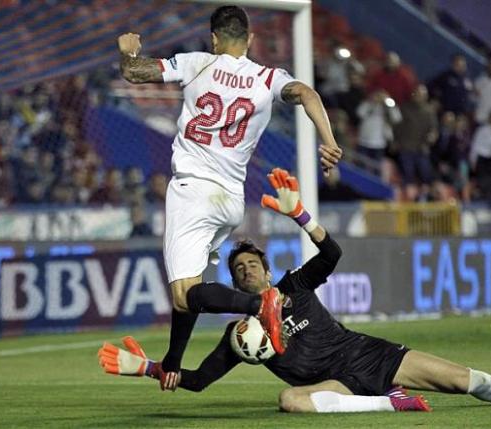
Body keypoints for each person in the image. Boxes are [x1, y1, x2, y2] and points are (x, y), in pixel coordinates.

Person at [99, 168, 491, 413]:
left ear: (265, 269)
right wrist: (143, 368)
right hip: (335, 387)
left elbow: (333, 255)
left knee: (467, 381)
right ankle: (388, 405)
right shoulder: (240, 336)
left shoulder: (295, 285)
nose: (244, 273)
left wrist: (301, 215)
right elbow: (196, 381)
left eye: (250, 265)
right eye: (237, 271)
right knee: (290, 401)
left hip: (368, 355)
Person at [116, 5, 343, 391]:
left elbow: (135, 73)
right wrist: (330, 141)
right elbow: (306, 93)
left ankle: (260, 304)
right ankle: (174, 360)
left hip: (192, 189)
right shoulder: (269, 78)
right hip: (231, 200)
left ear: (214, 38)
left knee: (187, 294)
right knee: (189, 291)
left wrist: (127, 51)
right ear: (250, 40)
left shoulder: (197, 63)